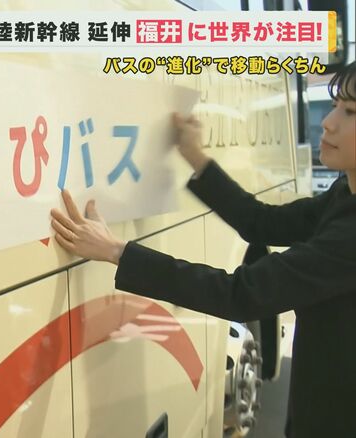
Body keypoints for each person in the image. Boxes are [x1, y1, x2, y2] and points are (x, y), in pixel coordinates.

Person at [50, 61, 356, 438]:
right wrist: (195, 156)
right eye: (335, 106)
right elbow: (261, 222)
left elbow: (239, 294)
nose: (328, 122)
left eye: (350, 112)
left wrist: (117, 251)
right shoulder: (344, 195)